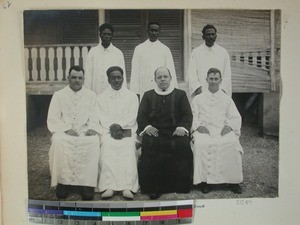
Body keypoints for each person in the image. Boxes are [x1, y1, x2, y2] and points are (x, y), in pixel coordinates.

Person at [137, 66, 193, 200]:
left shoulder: (180, 94)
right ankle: (153, 187)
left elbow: (187, 115)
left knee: (182, 144)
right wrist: (147, 127)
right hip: (155, 132)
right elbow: (141, 116)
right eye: (159, 77)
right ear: (155, 80)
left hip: (175, 131)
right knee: (150, 144)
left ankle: (179, 185)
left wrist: (182, 128)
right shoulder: (148, 95)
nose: (163, 80)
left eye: (165, 77)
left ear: (170, 78)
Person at [47, 65, 101, 200]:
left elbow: (95, 116)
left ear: (84, 79)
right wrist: (66, 129)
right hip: (64, 130)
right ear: (68, 78)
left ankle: (87, 185)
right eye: (74, 77)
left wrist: (91, 128)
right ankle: (63, 183)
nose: (77, 80)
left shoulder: (91, 95)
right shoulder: (58, 95)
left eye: (80, 78)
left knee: (93, 142)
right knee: (59, 142)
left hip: (84, 130)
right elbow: (53, 117)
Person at [191, 68, 243, 194]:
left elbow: (235, 116)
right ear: (206, 80)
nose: (213, 82)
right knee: (201, 144)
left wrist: (229, 126)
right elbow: (193, 116)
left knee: (232, 144)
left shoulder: (227, 99)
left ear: (220, 80)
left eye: (216, 79)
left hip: (222, 129)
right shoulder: (198, 99)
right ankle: (205, 181)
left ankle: (233, 181)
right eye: (211, 79)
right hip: (204, 129)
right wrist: (198, 126)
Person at [97, 66, 139, 200]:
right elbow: (101, 116)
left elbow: (132, 115)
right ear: (108, 80)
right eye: (113, 78)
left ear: (123, 78)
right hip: (108, 130)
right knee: (108, 146)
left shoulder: (131, 96)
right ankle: (108, 186)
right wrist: (113, 128)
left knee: (127, 145)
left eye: (119, 77)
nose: (116, 80)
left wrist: (120, 126)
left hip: (126, 129)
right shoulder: (102, 97)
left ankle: (127, 186)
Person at [130, 22, 178, 99]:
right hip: (144, 87)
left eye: (156, 31)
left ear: (159, 32)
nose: (154, 33)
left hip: (160, 88)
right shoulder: (139, 49)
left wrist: (172, 90)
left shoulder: (165, 49)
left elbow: (171, 71)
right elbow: (135, 72)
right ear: (147, 31)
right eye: (151, 30)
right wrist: (135, 92)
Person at [187, 24, 232, 97]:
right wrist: (197, 87)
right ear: (203, 37)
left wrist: (223, 89)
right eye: (208, 34)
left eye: (213, 34)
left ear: (216, 36)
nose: (211, 37)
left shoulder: (223, 52)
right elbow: (191, 73)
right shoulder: (196, 52)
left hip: (219, 91)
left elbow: (227, 74)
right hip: (201, 91)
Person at [85, 23, 126, 95]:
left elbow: (122, 75)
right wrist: (87, 93)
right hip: (96, 92)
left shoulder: (118, 53)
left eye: (109, 34)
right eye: (104, 34)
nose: (106, 36)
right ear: (100, 35)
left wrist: (122, 93)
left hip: (112, 93)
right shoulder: (93, 52)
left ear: (112, 36)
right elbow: (88, 75)